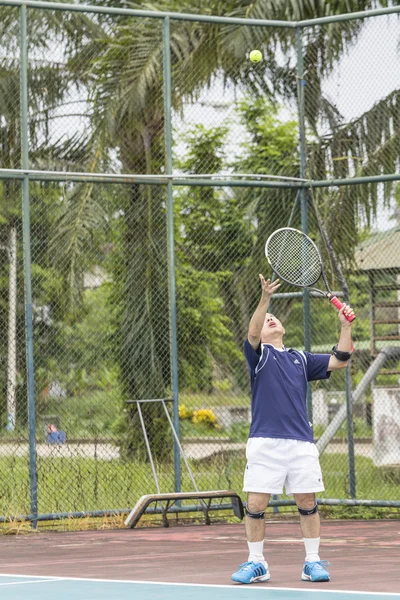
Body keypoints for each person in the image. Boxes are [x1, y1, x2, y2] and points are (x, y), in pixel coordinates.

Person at [231, 274, 355, 584]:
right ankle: (256, 562)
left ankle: (312, 562)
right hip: (264, 442)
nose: (270, 319)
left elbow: (340, 360)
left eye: (273, 317)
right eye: (266, 318)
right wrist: (264, 300)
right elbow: (252, 330)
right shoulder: (258, 356)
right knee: (256, 505)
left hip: (300, 443)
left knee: (307, 502)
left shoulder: (300, 358)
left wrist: (345, 326)